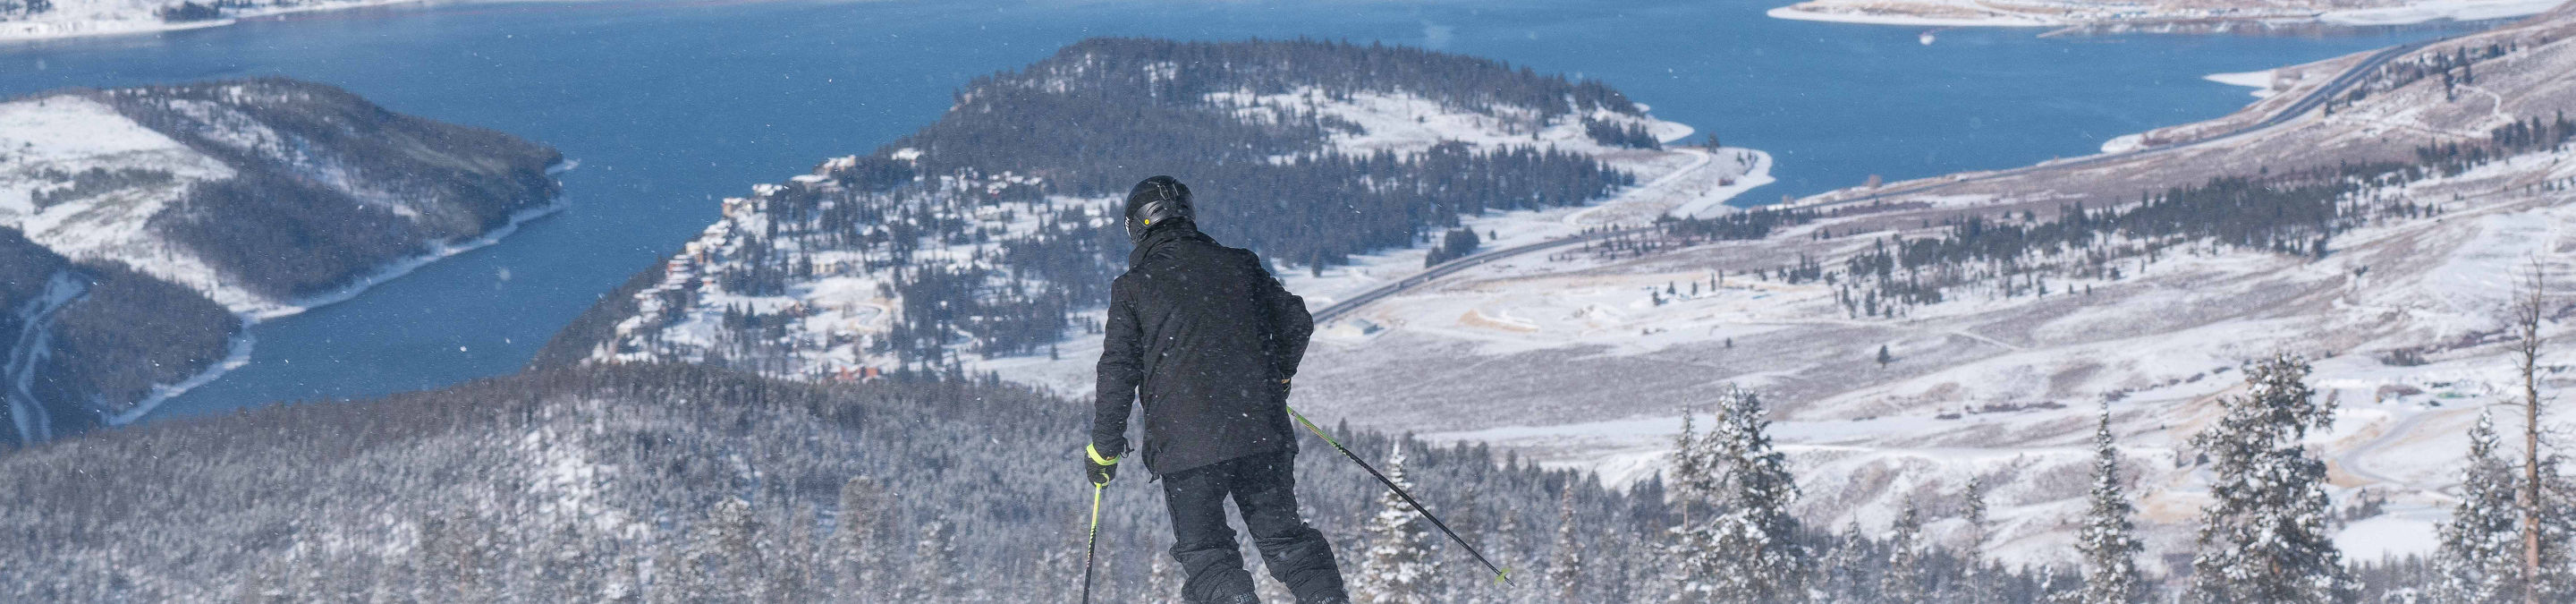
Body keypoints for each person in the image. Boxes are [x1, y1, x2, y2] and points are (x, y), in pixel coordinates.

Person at [1087, 175, 1351, 604]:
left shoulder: (1133, 288)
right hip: (1260, 431)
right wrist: (1279, 377)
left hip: (1186, 445)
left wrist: (1104, 449)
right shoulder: (1240, 264)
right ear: (1188, 215)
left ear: (1135, 226)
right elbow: (1297, 323)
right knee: (1286, 540)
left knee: (1208, 555)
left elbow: (1117, 370)